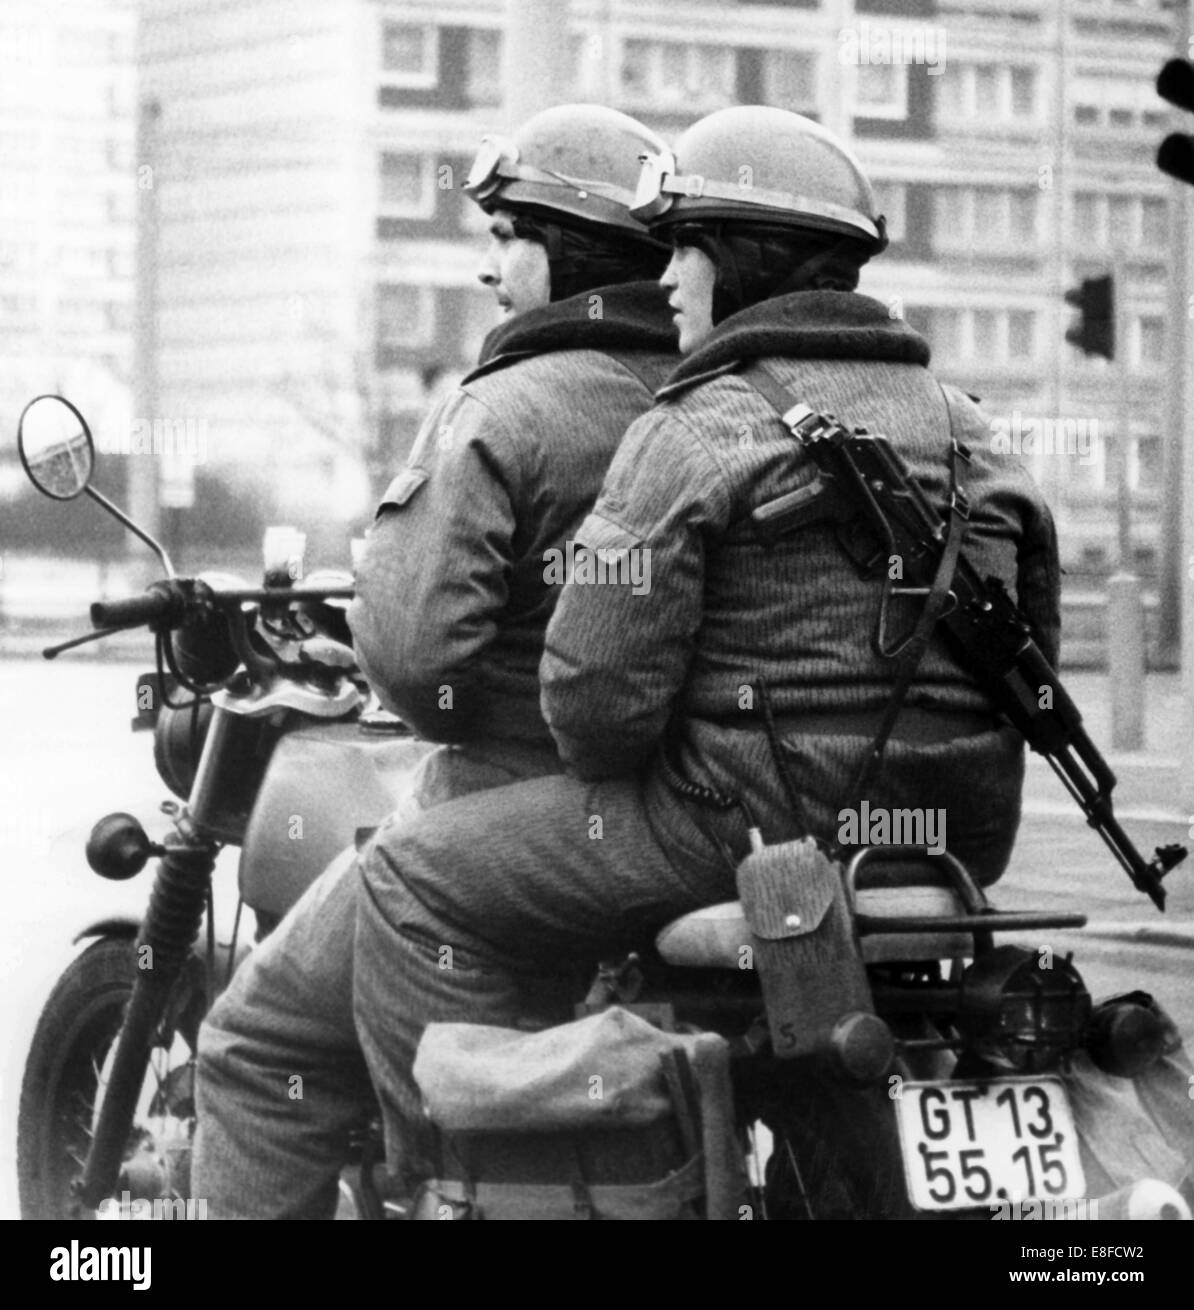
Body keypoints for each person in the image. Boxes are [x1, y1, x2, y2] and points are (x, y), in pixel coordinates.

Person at [349, 105, 1061, 1208]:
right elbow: (1035, 663)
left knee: (404, 877)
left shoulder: (695, 429)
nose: (667, 277)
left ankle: (460, 1187)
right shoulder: (978, 433)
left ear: (740, 261)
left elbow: (591, 703)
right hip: (953, 840)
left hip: (735, 826)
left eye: (684, 245)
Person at [192, 104, 678, 1218]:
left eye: (507, 234)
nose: (487, 266)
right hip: (670, 823)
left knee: (258, 1046)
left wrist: (410, 660)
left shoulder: (503, 407)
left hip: (499, 813)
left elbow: (417, 660)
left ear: (564, 250)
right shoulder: (708, 402)